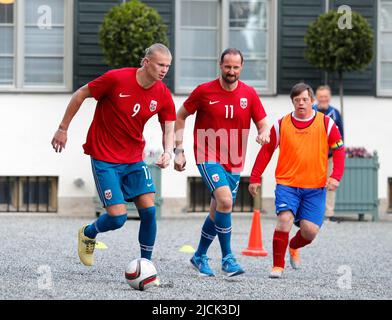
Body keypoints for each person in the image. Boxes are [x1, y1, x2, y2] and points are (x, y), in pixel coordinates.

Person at [51, 43, 176, 266]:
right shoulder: (116, 79)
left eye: (168, 65)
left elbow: (169, 124)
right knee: (118, 217)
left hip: (134, 159)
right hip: (105, 157)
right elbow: (80, 94)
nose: (164, 70)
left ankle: (145, 265)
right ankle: (89, 232)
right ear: (146, 62)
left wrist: (168, 152)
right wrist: (63, 128)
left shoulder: (163, 93)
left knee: (149, 211)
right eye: (160, 64)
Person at [174, 48, 270, 277]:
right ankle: (228, 258)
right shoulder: (204, 91)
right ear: (220, 65)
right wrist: (179, 149)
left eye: (236, 67)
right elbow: (180, 115)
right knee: (226, 201)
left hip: (234, 161)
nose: (231, 71)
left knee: (219, 210)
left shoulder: (249, 94)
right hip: (207, 154)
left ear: (241, 67)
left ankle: (199, 255)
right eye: (227, 66)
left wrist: (264, 133)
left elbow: (264, 124)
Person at [249, 83, 345, 279]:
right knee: (284, 220)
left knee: (309, 232)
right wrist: (255, 176)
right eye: (297, 100)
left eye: (305, 100)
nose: (301, 103)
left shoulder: (326, 123)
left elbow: (339, 150)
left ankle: (293, 246)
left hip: (315, 187)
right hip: (287, 184)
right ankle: (277, 265)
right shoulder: (282, 124)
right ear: (292, 102)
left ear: (312, 101)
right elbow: (266, 151)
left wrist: (335, 176)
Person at [314, 85, 344, 221]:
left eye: (325, 96)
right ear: (316, 97)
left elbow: (341, 137)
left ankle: (329, 213)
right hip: (313, 157)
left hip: (330, 156)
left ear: (329, 97)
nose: (323, 99)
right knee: (312, 184)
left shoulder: (336, 113)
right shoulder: (311, 111)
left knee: (330, 184)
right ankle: (313, 212)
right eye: (321, 97)